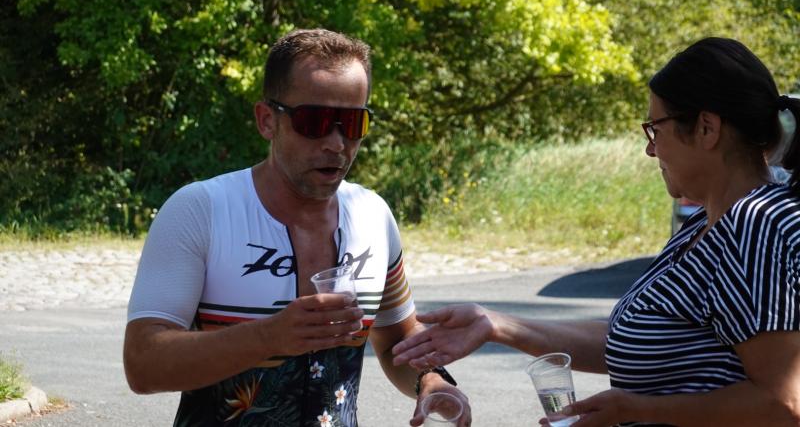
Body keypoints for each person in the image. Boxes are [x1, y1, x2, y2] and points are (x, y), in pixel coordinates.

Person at [392, 37, 800, 426]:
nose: (650, 149)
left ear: (707, 129)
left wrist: (633, 408)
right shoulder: (708, 224)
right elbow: (636, 340)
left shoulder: (756, 227)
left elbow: (784, 403)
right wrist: (496, 324)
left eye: (655, 129)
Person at [123, 28, 471, 427]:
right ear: (266, 120)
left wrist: (431, 380)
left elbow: (397, 342)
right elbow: (143, 364)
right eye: (315, 121)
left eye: (353, 123)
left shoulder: (372, 216)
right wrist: (269, 337)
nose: (336, 143)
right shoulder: (200, 210)